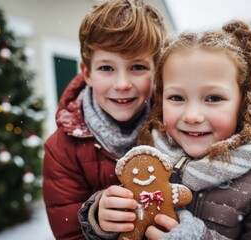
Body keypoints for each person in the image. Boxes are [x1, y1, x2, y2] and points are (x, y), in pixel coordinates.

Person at [80, 20, 251, 239]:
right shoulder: (146, 157)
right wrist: (102, 217)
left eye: (214, 98)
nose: (192, 116)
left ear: (245, 103)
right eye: (177, 97)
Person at [42, 0, 166, 239]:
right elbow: (69, 234)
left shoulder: (176, 129)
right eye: (107, 68)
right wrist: (95, 220)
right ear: (87, 73)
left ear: (156, 71)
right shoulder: (62, 150)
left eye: (137, 67)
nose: (121, 84)